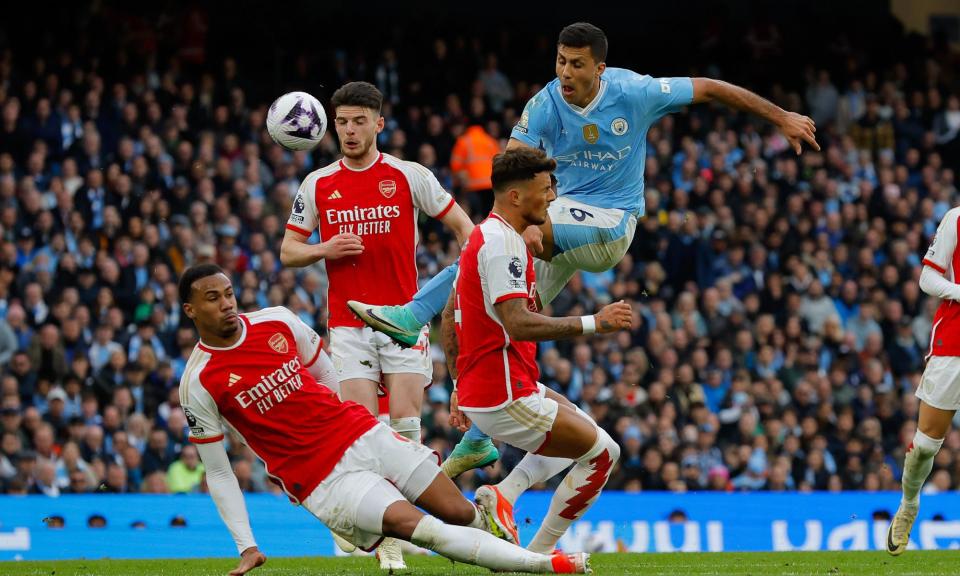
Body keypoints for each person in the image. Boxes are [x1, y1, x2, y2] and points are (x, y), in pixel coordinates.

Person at [350, 21, 819, 477]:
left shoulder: (634, 92)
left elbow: (711, 88)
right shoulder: (546, 103)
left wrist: (781, 118)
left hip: (611, 225)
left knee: (492, 240)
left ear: (600, 68)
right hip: (560, 224)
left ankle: (410, 316)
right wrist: (519, 213)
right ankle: (477, 437)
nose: (565, 73)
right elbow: (510, 164)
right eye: (559, 61)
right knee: (482, 310)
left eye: (576, 64)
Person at [176, 264, 589, 575]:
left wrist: (342, 415)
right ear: (190, 309)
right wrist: (246, 544)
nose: (226, 304)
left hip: (361, 433)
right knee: (422, 528)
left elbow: (323, 372)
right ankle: (545, 565)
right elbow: (219, 472)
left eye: (228, 293)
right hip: (322, 477)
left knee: (460, 514)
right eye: (212, 298)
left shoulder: (277, 322)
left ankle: (494, 523)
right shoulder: (199, 381)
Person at [279, 81, 475, 569]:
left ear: (378, 124)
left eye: (359, 121)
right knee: (364, 432)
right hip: (347, 325)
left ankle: (399, 528)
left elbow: (466, 230)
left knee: (405, 425)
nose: (349, 130)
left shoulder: (409, 176)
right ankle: (386, 539)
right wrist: (325, 248)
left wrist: (458, 284)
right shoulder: (319, 184)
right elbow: (288, 251)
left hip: (402, 322)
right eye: (342, 121)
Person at [447, 148, 630, 554]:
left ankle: (506, 495)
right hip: (504, 392)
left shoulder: (485, 237)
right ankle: (540, 555)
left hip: (499, 385)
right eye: (545, 188)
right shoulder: (502, 246)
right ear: (516, 196)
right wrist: (593, 323)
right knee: (600, 458)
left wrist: (459, 383)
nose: (551, 197)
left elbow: (449, 318)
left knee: (594, 438)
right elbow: (517, 322)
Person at [887, 206, 960, 555]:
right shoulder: (956, 219)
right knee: (927, 445)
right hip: (954, 343)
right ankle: (909, 503)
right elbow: (927, 279)